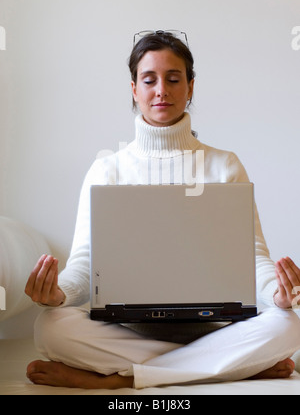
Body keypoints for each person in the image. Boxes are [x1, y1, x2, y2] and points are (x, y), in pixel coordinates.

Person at [25, 30, 300, 389]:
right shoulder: (107, 168)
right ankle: (227, 365)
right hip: (128, 328)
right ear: (134, 89)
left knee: (288, 323)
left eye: (174, 79)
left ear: (190, 87)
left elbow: (254, 256)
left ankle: (119, 380)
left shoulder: (224, 165)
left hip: (215, 325)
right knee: (50, 328)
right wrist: (58, 294)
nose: (162, 91)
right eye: (149, 79)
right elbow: (85, 263)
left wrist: (277, 295)